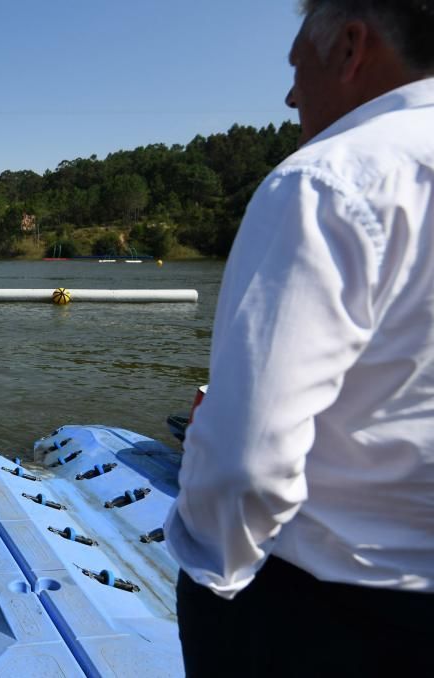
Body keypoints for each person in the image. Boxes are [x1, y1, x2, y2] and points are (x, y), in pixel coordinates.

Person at [164, 2, 434, 675]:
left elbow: (243, 465)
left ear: (349, 48)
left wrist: (210, 576)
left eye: (296, 65)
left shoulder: (326, 182)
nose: (289, 94)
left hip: (327, 617)